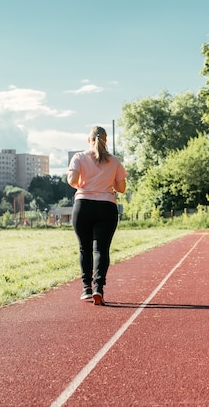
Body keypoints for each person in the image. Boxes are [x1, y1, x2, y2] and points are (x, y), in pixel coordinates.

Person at [67, 126, 127, 305]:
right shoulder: (114, 161)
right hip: (106, 206)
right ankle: (98, 288)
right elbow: (121, 188)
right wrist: (105, 182)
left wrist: (85, 184)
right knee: (101, 249)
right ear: (106, 140)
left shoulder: (79, 157)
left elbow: (72, 181)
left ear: (89, 139)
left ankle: (86, 289)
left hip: (83, 205)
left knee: (84, 248)